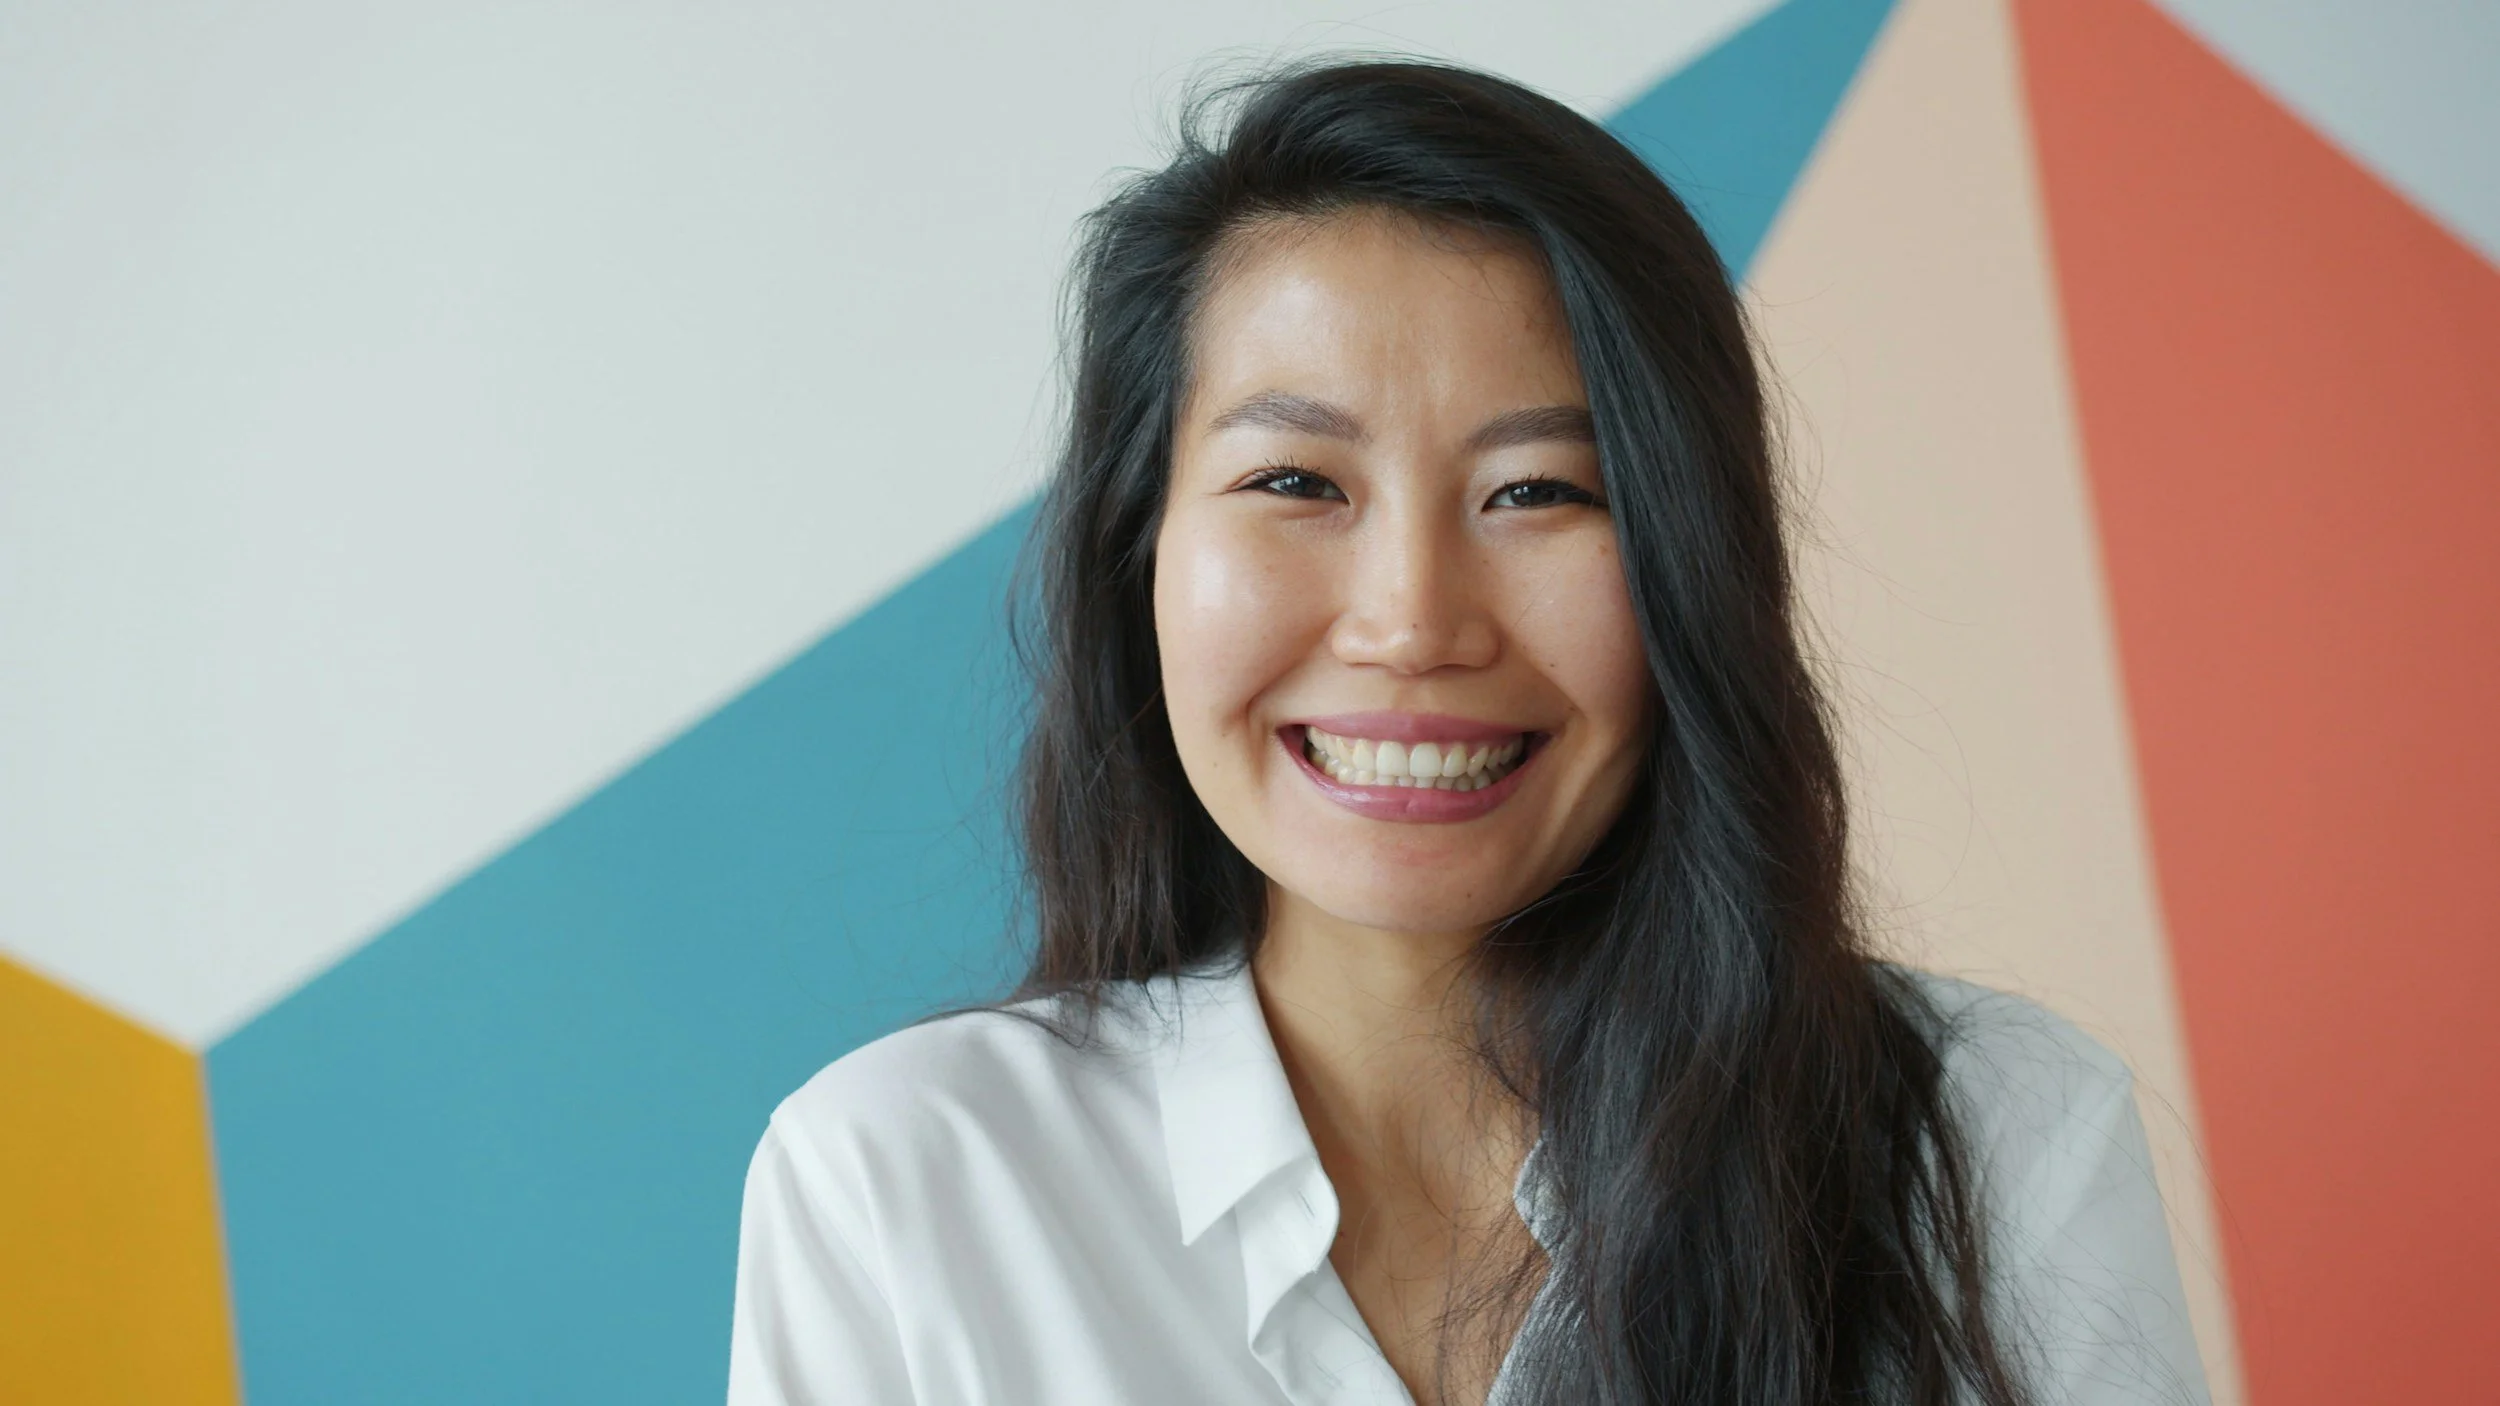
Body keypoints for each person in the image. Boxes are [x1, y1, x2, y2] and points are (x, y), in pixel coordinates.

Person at [726, 59, 2209, 1406]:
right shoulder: (905, 1182)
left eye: (1538, 493)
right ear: (1140, 554)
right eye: (1297, 483)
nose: (1413, 619)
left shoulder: (1998, 1138)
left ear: (1690, 565)